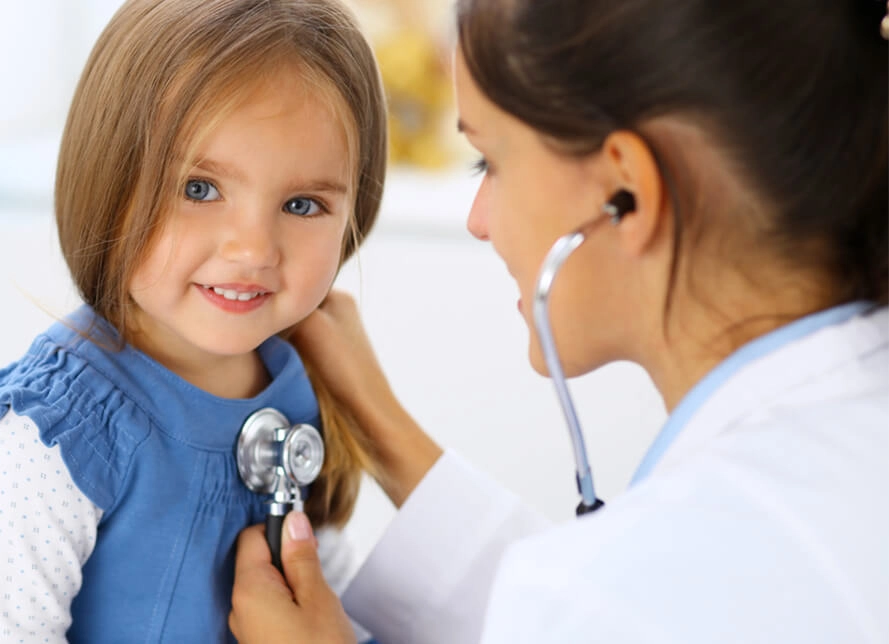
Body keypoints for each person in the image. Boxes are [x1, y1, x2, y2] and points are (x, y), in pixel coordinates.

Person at [228, 1, 889, 642]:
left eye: (489, 162)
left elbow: (617, 604)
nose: (477, 219)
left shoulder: (652, 581)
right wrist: (382, 425)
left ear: (625, 193)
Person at [0, 0, 387, 641]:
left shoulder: (292, 383)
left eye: (302, 203)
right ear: (108, 176)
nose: (252, 250)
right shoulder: (52, 437)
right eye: (199, 189)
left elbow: (329, 595)